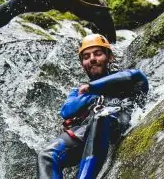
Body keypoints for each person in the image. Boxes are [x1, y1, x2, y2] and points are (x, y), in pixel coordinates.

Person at [36, 34, 149, 179]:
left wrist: (92, 87)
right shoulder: (78, 92)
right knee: (46, 156)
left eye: (98, 53)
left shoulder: (125, 78)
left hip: (116, 122)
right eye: (86, 56)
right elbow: (66, 111)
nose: (92, 59)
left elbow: (137, 76)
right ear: (83, 65)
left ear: (110, 57)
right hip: (86, 132)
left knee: (101, 117)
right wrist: (90, 95)